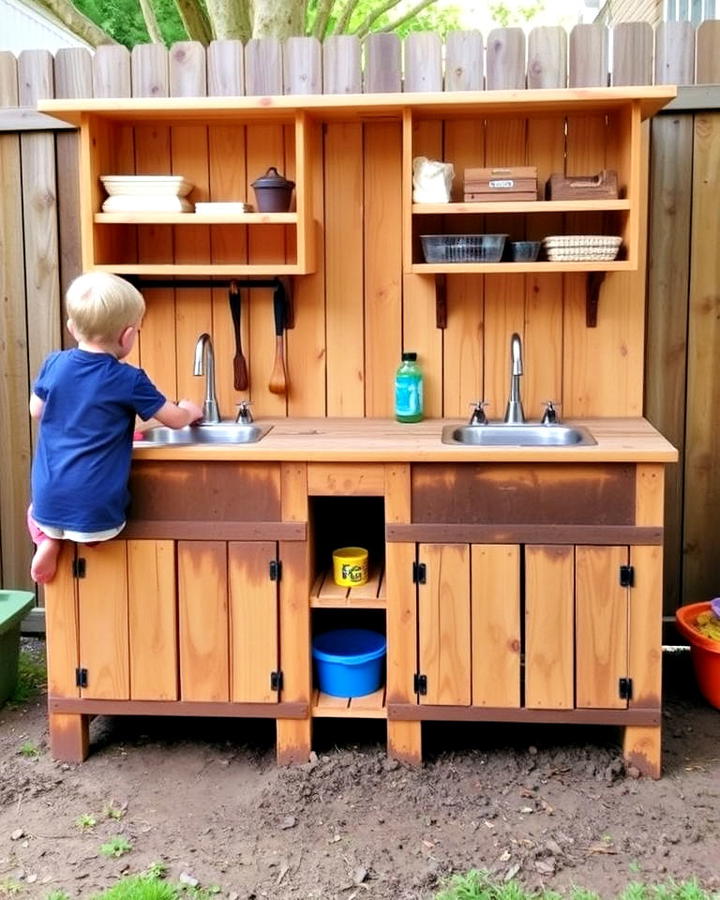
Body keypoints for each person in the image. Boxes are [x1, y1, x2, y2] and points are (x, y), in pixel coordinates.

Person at [28, 272, 204, 584]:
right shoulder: (129, 379)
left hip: (47, 502)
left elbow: (36, 410)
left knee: (33, 512)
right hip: (97, 512)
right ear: (126, 337)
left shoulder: (53, 363)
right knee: (101, 529)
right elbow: (174, 421)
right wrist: (191, 409)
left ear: (72, 327)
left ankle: (46, 540)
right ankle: (88, 539)